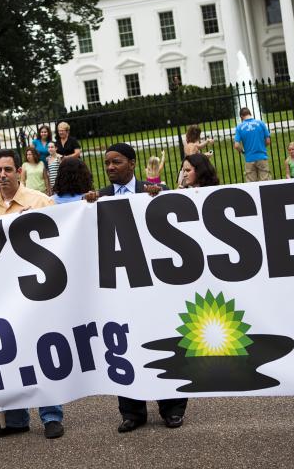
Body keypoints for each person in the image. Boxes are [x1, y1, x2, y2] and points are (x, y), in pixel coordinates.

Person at [83, 143, 186, 432]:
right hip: (119, 286)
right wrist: (86, 206)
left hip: (155, 282)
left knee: (164, 341)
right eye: (106, 164)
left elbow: (178, 216)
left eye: (116, 162)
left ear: (131, 162)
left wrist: (159, 196)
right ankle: (132, 412)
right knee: (123, 347)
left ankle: (172, 408)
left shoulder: (152, 190)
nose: (111, 167)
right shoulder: (98, 198)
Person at [0, 150, 62, 440]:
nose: (2, 175)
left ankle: (51, 416)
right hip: (3, 295)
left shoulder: (40, 202)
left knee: (42, 352)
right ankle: (14, 419)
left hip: (37, 291)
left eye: (8, 169)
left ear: (19, 171)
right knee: (6, 355)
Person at [234, 107, 271, 182]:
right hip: (262, 156)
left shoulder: (239, 127)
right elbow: (268, 141)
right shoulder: (261, 123)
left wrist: (243, 151)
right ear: (250, 114)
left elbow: (236, 145)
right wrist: (261, 147)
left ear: (241, 117)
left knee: (251, 184)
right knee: (265, 183)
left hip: (249, 158)